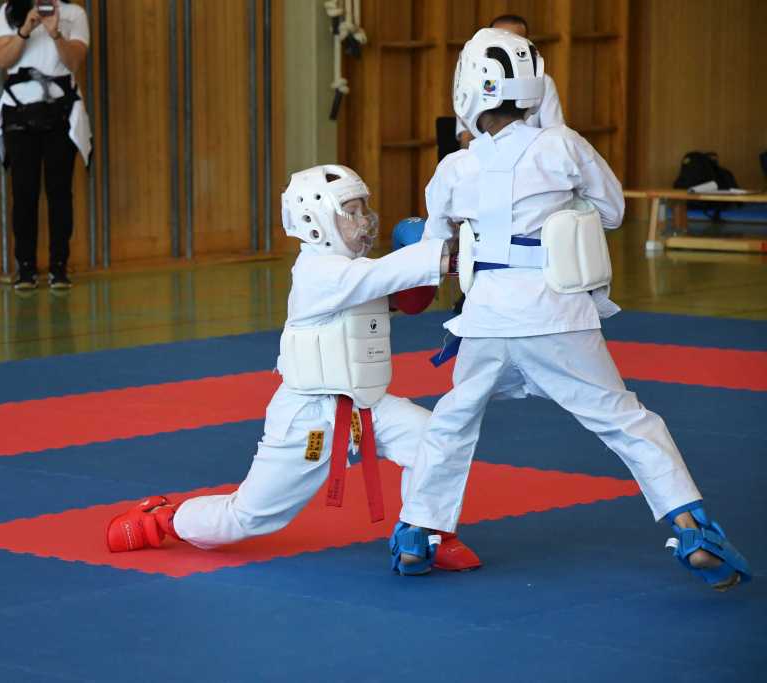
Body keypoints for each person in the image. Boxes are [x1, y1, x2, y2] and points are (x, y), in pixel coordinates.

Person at [393, 28, 751, 590]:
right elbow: (612, 212)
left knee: (452, 422)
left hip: (484, 319)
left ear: (468, 88)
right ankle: (693, 531)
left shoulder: (454, 169)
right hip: (556, 314)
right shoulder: (562, 145)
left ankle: (418, 532)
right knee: (628, 421)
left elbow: (434, 246)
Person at [106, 165, 481, 574]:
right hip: (310, 417)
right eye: (351, 213)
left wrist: (428, 262)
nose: (363, 223)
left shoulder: (355, 272)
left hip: (365, 407)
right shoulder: (319, 272)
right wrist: (445, 253)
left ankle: (426, 533)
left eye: (364, 211)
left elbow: (402, 297)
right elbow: (381, 276)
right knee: (248, 517)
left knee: (435, 437)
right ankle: (162, 519)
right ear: (314, 222)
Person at [0, 0, 91, 290]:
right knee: (24, 191)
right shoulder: (10, 11)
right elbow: (3, 60)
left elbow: (75, 62)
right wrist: (25, 29)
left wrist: (55, 32)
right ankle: (26, 268)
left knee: (59, 191)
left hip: (60, 112)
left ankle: (59, 266)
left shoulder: (74, 14)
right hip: (19, 113)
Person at [455, 14, 563, 149]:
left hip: (530, 157)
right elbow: (466, 140)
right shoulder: (472, 83)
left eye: (515, 42)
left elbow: (555, 135)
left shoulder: (543, 82)